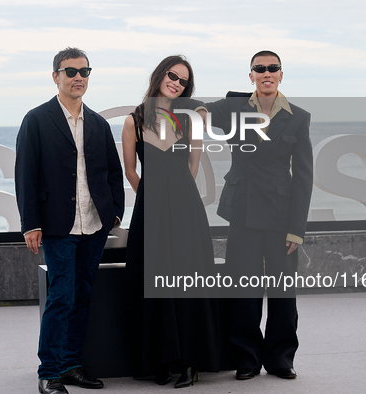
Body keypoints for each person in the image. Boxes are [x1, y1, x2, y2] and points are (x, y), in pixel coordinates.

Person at [15, 47, 124, 394]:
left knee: (82, 296)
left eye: (84, 71)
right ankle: (48, 372)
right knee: (61, 296)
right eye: (71, 71)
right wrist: (30, 223)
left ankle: (71, 365)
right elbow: (25, 175)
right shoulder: (36, 119)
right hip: (57, 225)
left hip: (93, 225)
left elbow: (112, 172)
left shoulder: (98, 122)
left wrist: (114, 213)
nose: (79, 77)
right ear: (56, 76)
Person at [205, 50, 313, 380]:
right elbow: (199, 112)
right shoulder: (233, 109)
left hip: (281, 216)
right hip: (243, 210)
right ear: (250, 74)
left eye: (273, 68)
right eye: (259, 68)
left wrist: (297, 228)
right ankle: (248, 357)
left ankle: (281, 358)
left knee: (283, 291)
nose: (267, 72)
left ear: (282, 74)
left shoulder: (298, 116)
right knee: (243, 289)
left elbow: (305, 174)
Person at [122, 55, 220, 389]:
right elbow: (131, 171)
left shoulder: (190, 118)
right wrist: (151, 196)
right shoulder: (134, 119)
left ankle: (191, 364)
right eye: (172, 75)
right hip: (150, 211)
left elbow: (193, 163)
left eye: (183, 81)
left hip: (184, 209)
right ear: (159, 75)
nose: (176, 82)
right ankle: (159, 362)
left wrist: (176, 195)